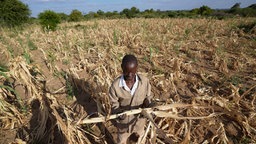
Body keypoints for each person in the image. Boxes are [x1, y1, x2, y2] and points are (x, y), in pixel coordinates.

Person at [109, 54, 152, 144]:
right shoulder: (115, 86)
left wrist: (147, 103)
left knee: (140, 140)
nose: (129, 75)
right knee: (121, 141)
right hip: (123, 125)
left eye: (132, 72)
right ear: (122, 67)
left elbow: (148, 96)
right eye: (126, 71)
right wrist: (118, 112)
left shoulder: (144, 82)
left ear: (137, 68)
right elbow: (114, 104)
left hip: (140, 122)